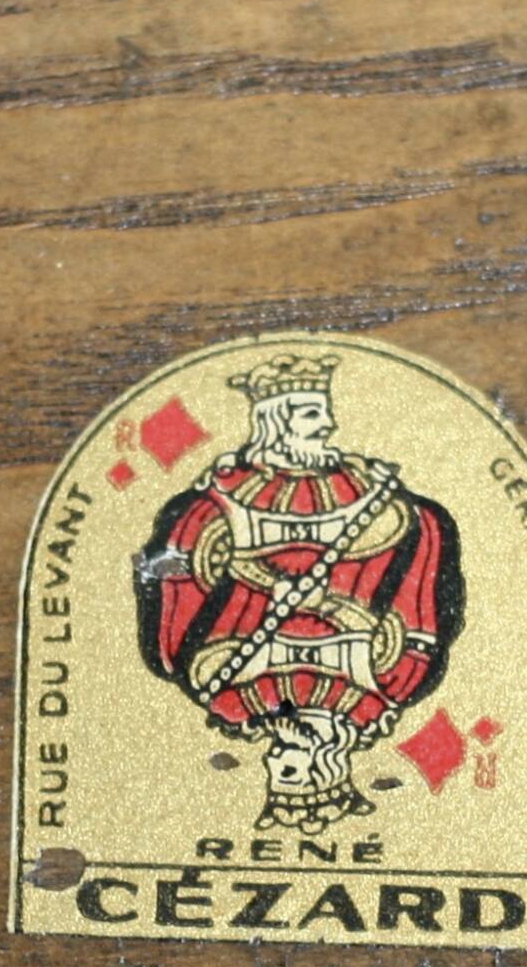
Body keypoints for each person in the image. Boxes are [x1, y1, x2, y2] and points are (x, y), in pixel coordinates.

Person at [133, 354, 465, 834]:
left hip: (338, 658)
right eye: (313, 413)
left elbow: (414, 612)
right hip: (262, 658)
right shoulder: (221, 499)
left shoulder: (379, 495)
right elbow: (181, 594)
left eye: (322, 411)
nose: (328, 424)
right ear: (276, 421)